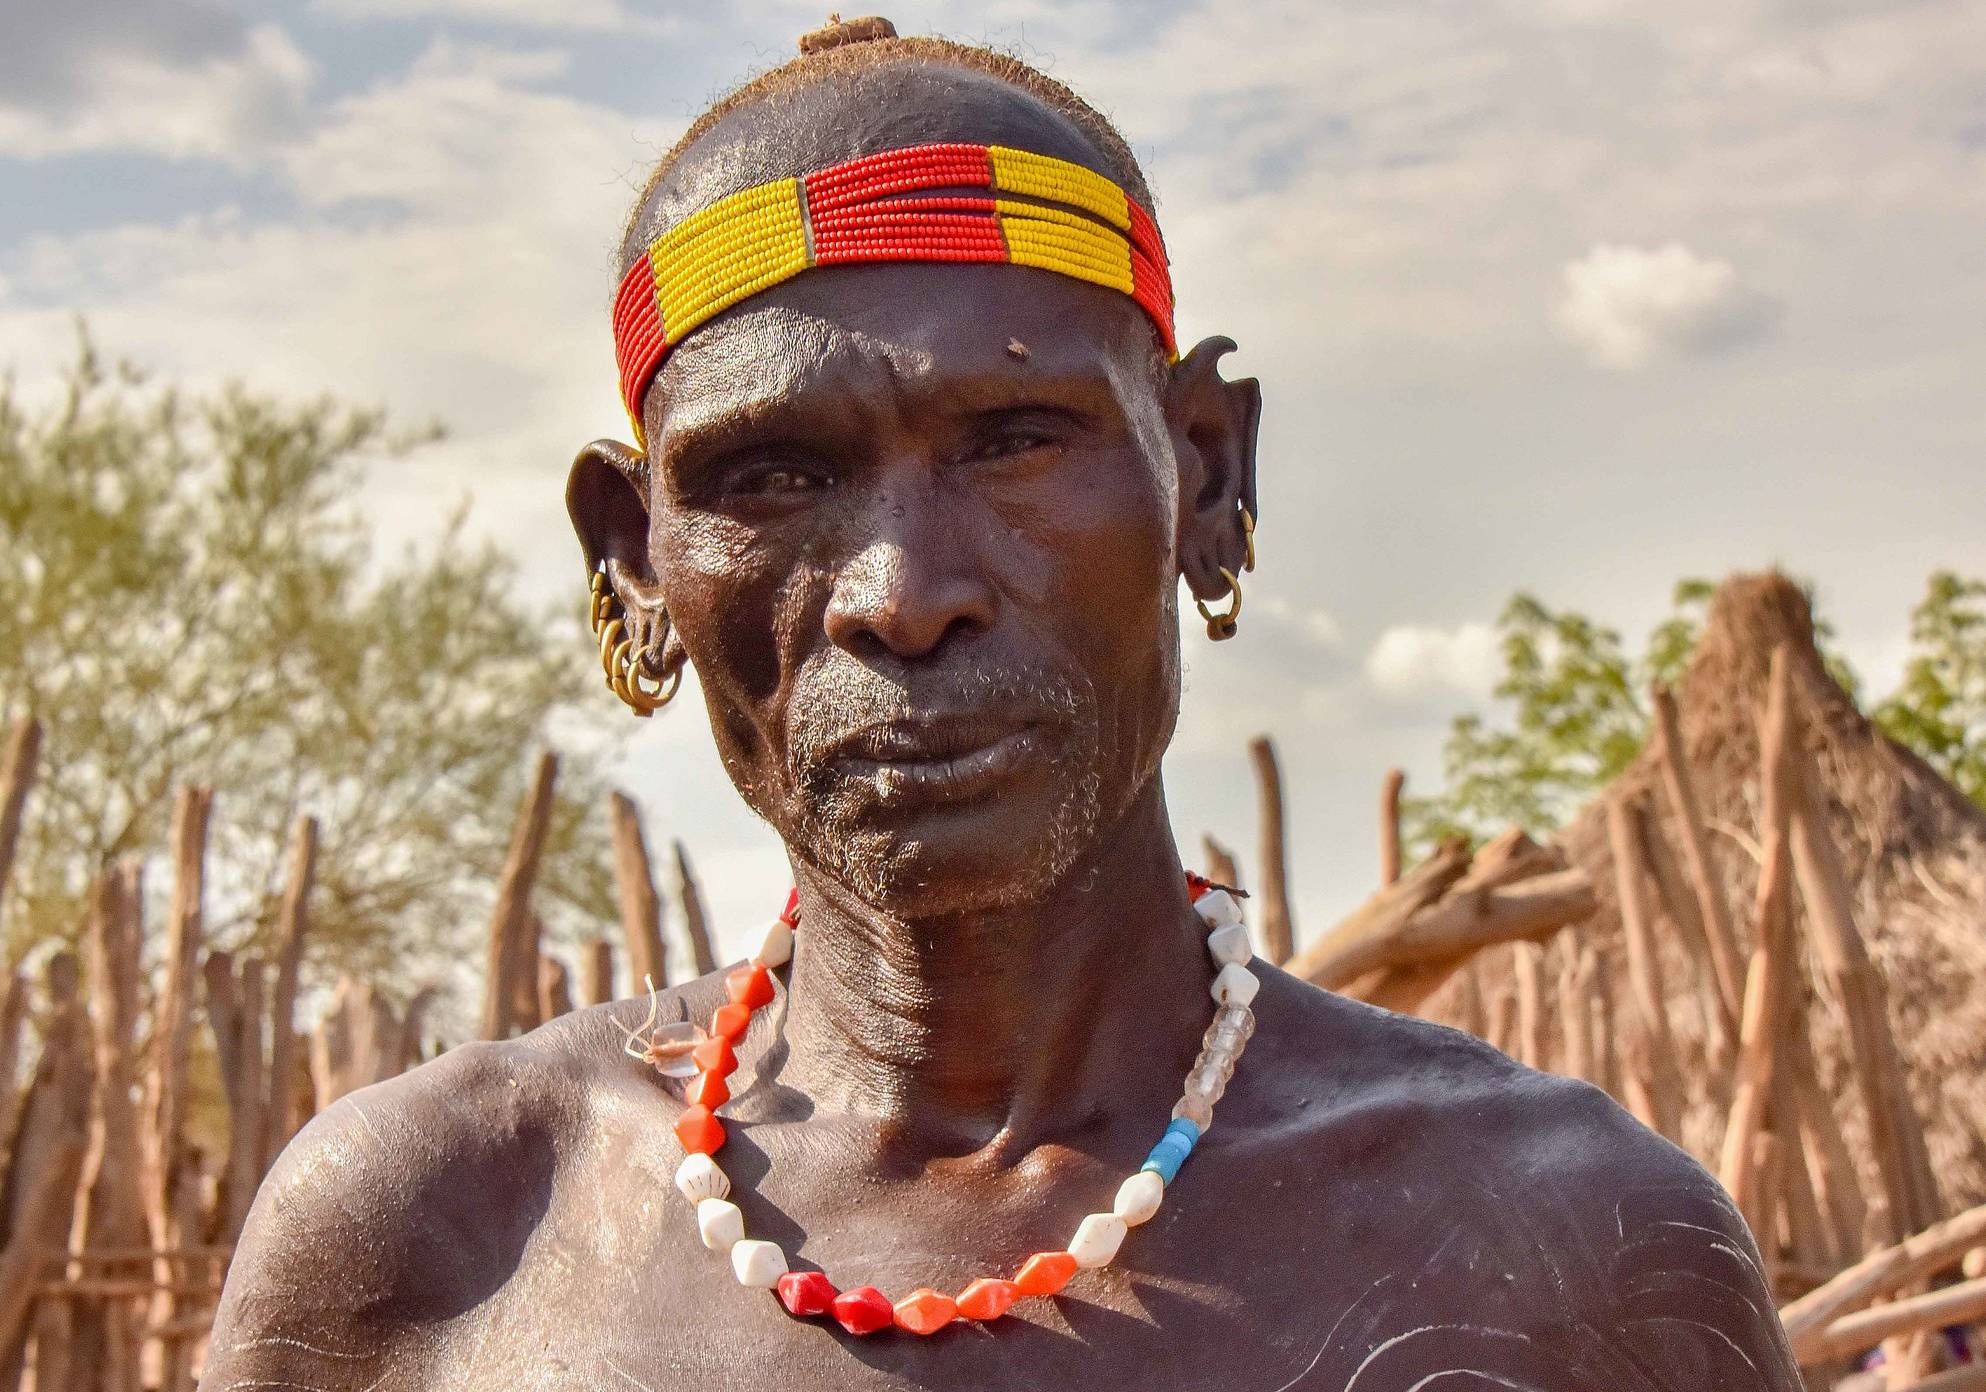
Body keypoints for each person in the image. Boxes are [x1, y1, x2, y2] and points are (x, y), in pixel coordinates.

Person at [203, 21, 1800, 1391]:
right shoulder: (432, 1243)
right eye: (772, 475)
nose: (900, 591)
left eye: (1017, 439)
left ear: (1207, 478)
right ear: (634, 566)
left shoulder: (1567, 1257)